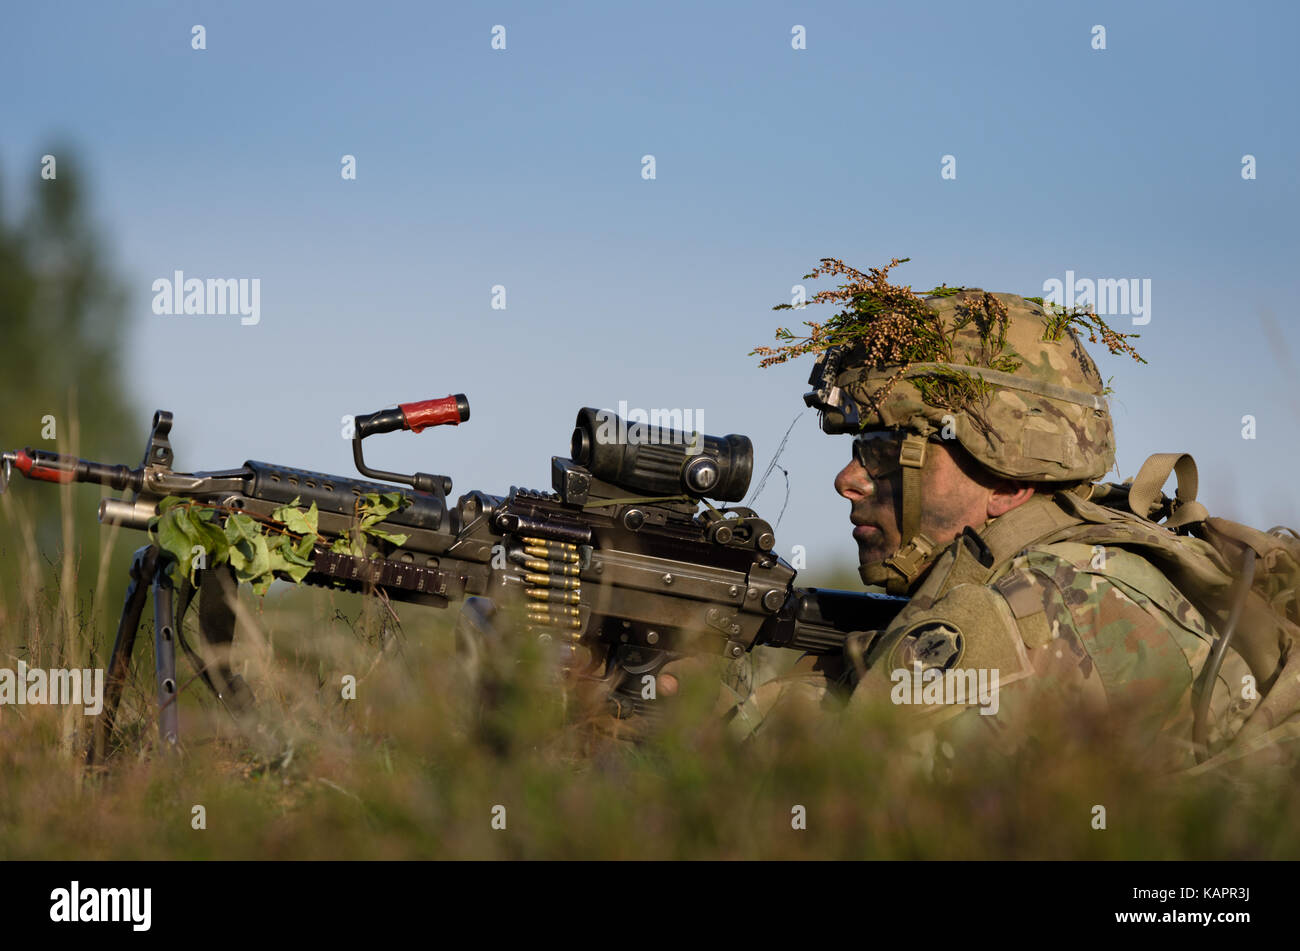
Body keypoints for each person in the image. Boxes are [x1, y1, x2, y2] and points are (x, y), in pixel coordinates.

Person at [732, 261, 1265, 769]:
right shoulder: (1059, 566)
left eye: (887, 451)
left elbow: (841, 806)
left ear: (1008, 479)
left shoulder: (1043, 602)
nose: (848, 480)